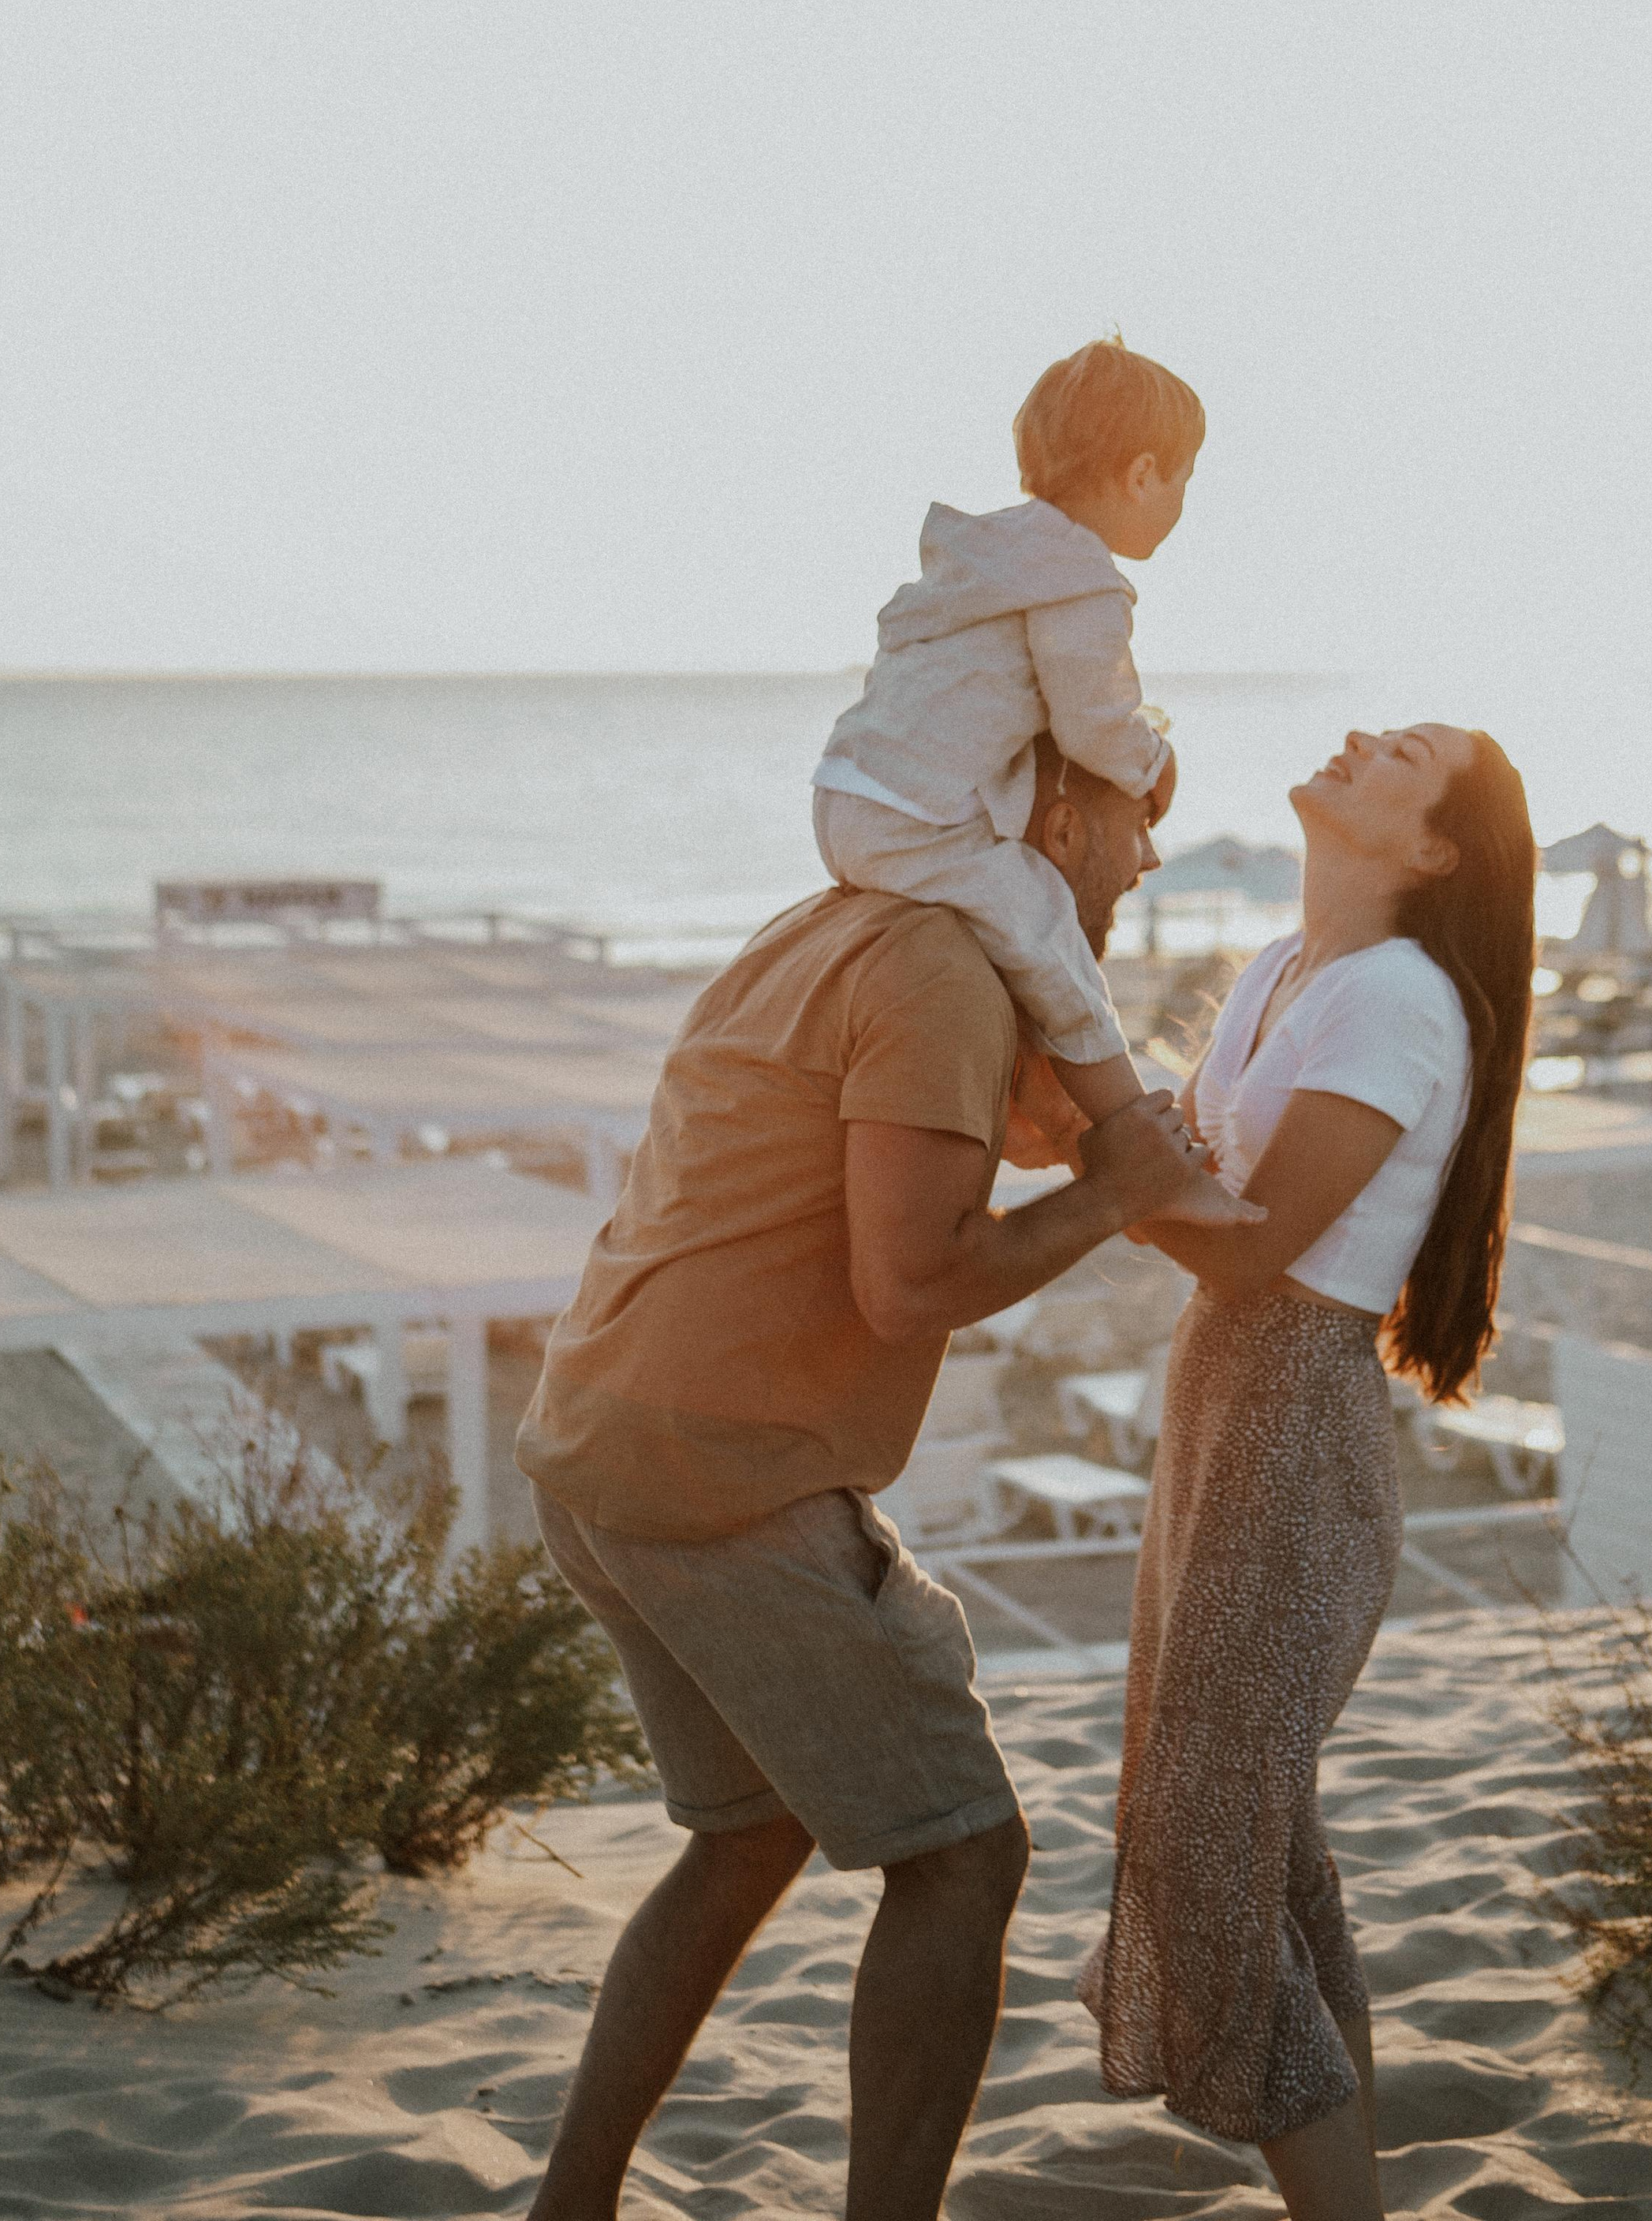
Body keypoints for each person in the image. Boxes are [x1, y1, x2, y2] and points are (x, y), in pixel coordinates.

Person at [513, 736, 1239, 2221]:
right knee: (968, 1858)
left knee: (748, 1835)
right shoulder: (937, 972)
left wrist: (1126, 1132)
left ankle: (568, 2207)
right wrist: (1112, 1197)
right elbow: (911, 1283)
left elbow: (1009, 1115)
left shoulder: (835, 922)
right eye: (1136, 815)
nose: (1151, 855)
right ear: (1050, 809)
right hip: (722, 1478)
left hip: (597, 1442)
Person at [1080, 722, 1537, 2221]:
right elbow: (1202, 1193)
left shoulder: (1398, 1002)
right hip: (1221, 1395)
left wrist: (1111, 1161)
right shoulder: (1292, 969)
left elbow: (1255, 1242)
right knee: (1255, 1844)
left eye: (1400, 755)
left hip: (1293, 1421)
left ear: (1432, 854)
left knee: (1208, 1841)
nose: (1358, 740)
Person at [812, 334, 1205, 1137]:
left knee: (1004, 915)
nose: (1181, 502)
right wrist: (1155, 766)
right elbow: (1094, 721)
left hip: (842, 796)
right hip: (911, 819)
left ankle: (1025, 1089)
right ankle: (1129, 1127)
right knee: (1047, 934)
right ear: (1140, 475)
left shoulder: (978, 560)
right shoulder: (1083, 580)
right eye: (1183, 480)